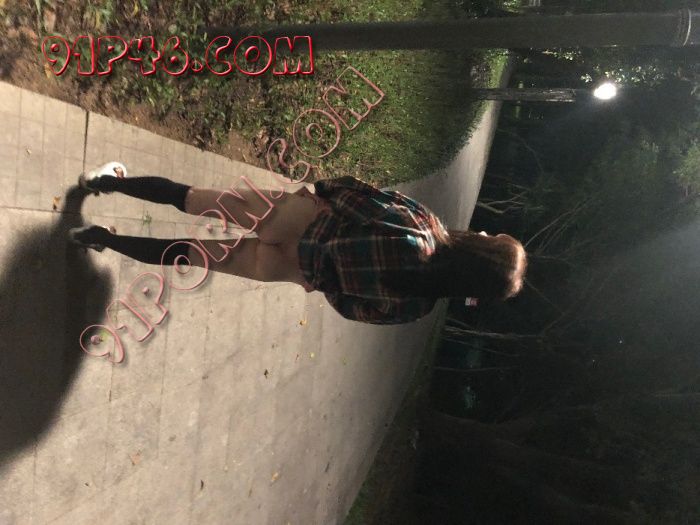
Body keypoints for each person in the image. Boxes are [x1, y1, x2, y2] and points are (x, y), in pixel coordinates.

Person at [69, 163, 527, 325]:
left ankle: (106, 182)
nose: (485, 233)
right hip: (293, 270)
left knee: (191, 199)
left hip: (297, 220)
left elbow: (357, 196)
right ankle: (99, 239)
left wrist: (319, 191)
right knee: (189, 254)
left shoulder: (422, 226)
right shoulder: (417, 307)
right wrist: (325, 278)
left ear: (479, 250)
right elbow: (352, 310)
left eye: (490, 239)